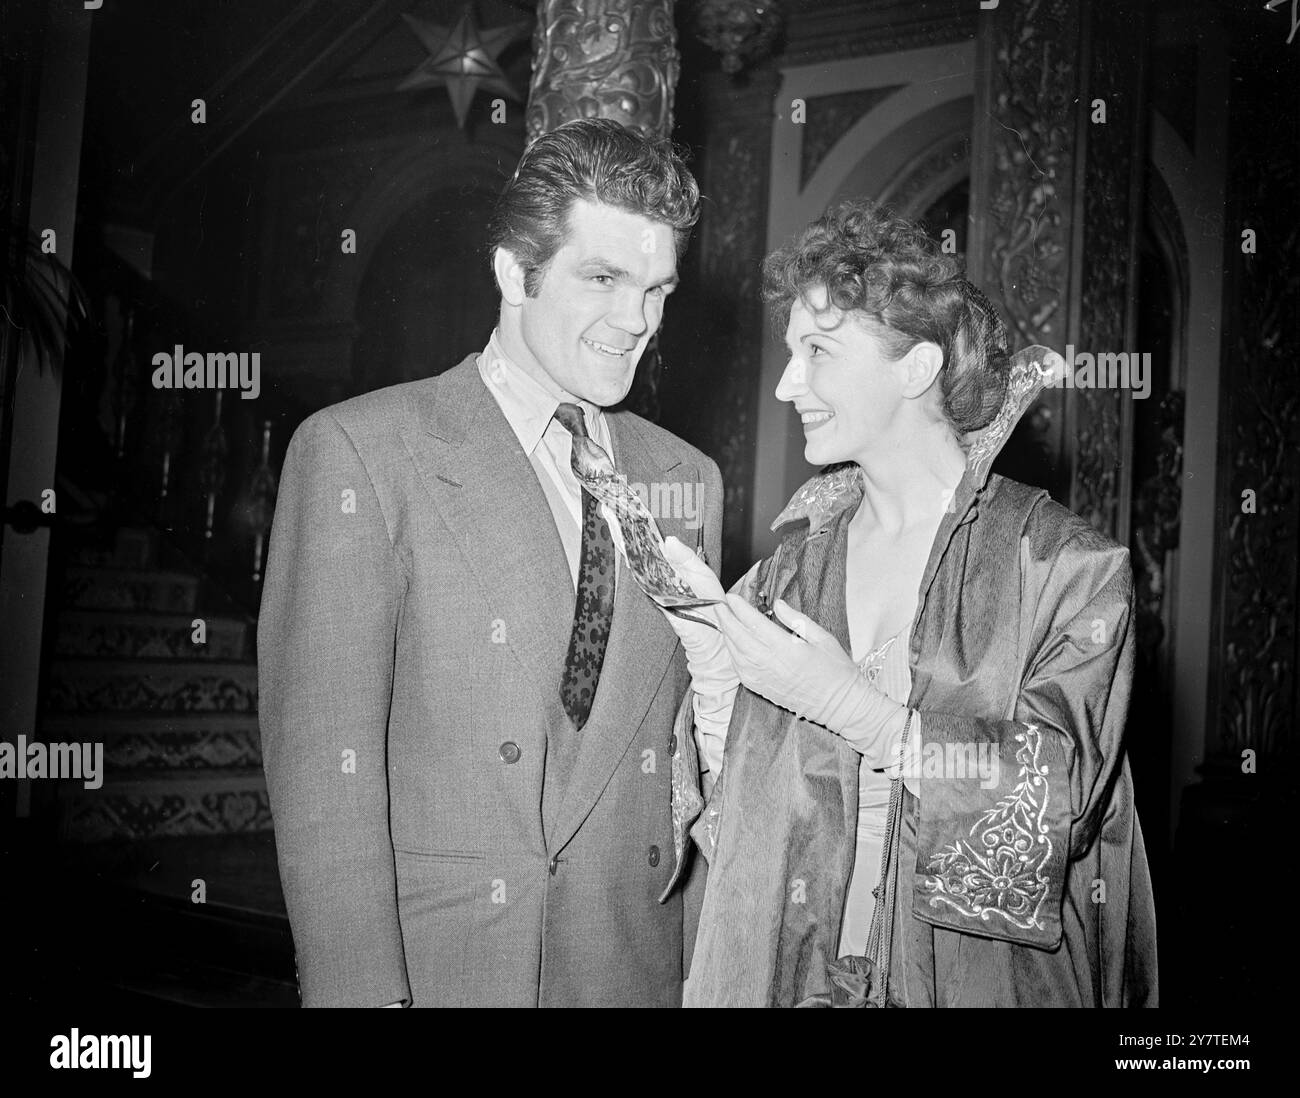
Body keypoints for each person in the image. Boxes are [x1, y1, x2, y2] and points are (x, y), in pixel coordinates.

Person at [258, 118, 723, 1007]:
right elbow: (326, 769)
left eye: (658, 288)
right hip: (452, 969)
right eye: (603, 279)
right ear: (516, 271)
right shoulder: (363, 452)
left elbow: (682, 759)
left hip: (631, 968)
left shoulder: (685, 477)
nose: (638, 322)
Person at [660, 200, 1158, 1007]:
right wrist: (715, 681)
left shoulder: (1064, 567)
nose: (788, 384)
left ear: (916, 367)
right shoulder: (790, 568)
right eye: (790, 354)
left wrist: (864, 714)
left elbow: (1052, 811)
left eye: (817, 351)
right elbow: (733, 838)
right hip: (799, 982)